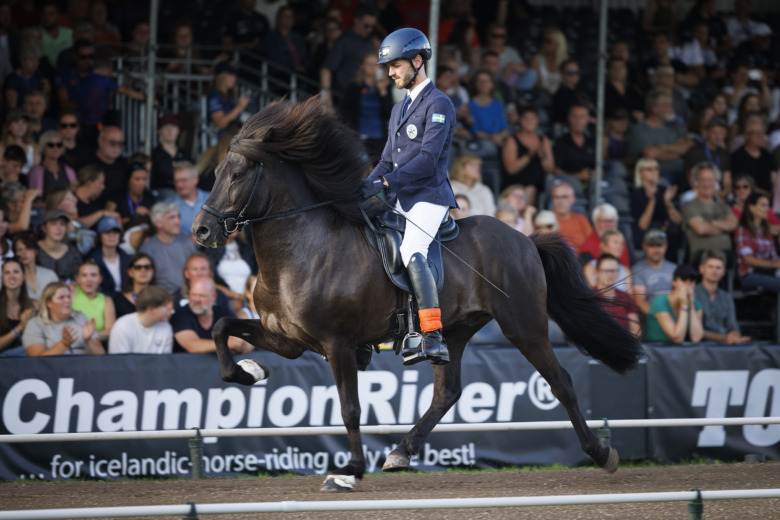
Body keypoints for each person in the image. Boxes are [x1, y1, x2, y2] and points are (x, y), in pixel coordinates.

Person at [359, 28, 457, 366]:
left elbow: (428, 160)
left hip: (429, 195)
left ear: (417, 61)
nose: (390, 72)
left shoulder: (439, 103)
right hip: (400, 193)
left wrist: (385, 183)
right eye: (388, 67)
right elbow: (387, 159)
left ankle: (432, 336)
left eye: (396, 65)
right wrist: (366, 185)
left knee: (412, 249)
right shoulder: (398, 109)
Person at [171, 277, 251, 354]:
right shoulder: (181, 314)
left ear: (214, 297)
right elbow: (192, 345)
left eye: (202, 296)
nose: (197, 300)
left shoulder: (223, 313)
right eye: (193, 295)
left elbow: (244, 342)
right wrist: (226, 344)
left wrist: (241, 345)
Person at [338, 51, 394, 163]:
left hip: (379, 137)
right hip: (358, 136)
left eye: (376, 64)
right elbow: (344, 111)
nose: (373, 68)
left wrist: (382, 91)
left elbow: (390, 114)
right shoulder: (354, 86)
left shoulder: (385, 86)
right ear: (362, 66)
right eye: (369, 64)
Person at [22, 281, 105, 356]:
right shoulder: (35, 324)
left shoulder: (80, 317)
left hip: (84, 369)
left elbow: (101, 355)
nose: (67, 300)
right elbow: (37, 361)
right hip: (54, 371)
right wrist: (64, 344)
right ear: (48, 303)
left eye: (69, 297)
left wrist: (88, 340)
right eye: (61, 297)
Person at [629, 91, 694, 186]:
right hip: (656, 175)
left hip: (683, 173)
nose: (672, 109)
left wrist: (662, 148)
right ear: (655, 109)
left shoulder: (675, 126)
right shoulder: (640, 129)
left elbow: (690, 146)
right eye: (667, 106)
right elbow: (650, 154)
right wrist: (679, 152)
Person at [682, 162, 738, 265]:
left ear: (715, 182)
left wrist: (710, 222)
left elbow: (733, 225)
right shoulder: (689, 206)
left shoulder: (723, 206)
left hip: (726, 256)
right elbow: (701, 229)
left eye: (710, 180)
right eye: (702, 180)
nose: (706, 184)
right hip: (702, 257)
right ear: (696, 182)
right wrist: (724, 229)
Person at [320, 4, 378, 104]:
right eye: (366, 26)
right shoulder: (343, 41)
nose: (369, 30)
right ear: (357, 21)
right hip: (344, 98)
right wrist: (327, 99)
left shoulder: (370, 42)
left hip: (364, 97)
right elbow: (326, 69)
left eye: (372, 27)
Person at [500, 106, 554, 203]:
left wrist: (542, 156)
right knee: (530, 189)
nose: (530, 121)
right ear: (520, 120)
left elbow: (550, 168)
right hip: (516, 184)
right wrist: (529, 155)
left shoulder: (543, 140)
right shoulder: (512, 140)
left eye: (533, 118)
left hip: (539, 185)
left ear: (537, 120)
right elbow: (511, 169)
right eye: (526, 118)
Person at [695, 249, 750, 344]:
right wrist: (725, 338)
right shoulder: (693, 293)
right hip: (700, 348)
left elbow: (732, 325)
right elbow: (696, 331)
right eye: (710, 267)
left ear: (723, 272)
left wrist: (736, 337)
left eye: (718, 268)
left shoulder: (726, 297)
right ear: (701, 269)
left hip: (725, 347)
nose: (714, 271)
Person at [630, 157, 682, 253]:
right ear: (640, 173)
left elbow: (678, 220)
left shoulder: (664, 190)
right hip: (647, 237)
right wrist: (652, 200)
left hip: (667, 235)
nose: (654, 171)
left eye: (656, 168)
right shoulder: (636, 194)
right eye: (649, 169)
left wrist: (667, 202)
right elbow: (642, 226)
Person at [644, 264, 704, 344]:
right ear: (673, 282)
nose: (688, 284)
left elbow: (696, 338)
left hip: (678, 352)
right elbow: (677, 338)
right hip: (655, 350)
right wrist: (684, 305)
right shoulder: (660, 302)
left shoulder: (696, 304)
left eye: (692, 280)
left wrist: (691, 305)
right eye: (683, 279)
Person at [734, 192, 780, 294]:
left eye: (768, 205)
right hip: (750, 275)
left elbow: (773, 256)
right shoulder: (743, 230)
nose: (767, 209)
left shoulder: (766, 231)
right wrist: (772, 264)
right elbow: (748, 259)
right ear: (752, 208)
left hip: (769, 272)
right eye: (763, 205)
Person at [108, 285, 174, 354]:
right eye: (165, 306)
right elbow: (120, 362)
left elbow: (165, 361)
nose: (170, 309)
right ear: (150, 309)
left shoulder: (166, 327)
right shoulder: (122, 326)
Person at [631, 229, 676, 315]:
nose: (656, 250)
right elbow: (640, 302)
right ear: (644, 246)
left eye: (659, 245)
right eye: (652, 246)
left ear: (666, 246)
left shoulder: (674, 268)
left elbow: (681, 296)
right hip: (652, 317)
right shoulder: (637, 269)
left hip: (674, 314)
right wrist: (662, 317)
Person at [682, 117, 732, 195]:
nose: (718, 136)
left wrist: (725, 193)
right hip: (698, 191)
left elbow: (727, 180)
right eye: (714, 132)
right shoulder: (695, 151)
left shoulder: (724, 154)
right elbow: (691, 178)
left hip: (718, 192)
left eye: (721, 133)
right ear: (707, 132)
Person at [595, 254, 641, 336]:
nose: (610, 275)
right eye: (606, 271)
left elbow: (636, 331)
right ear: (597, 272)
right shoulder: (588, 297)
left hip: (623, 344)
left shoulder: (625, 297)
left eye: (613, 271)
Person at [71, 259, 116, 343]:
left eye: (93, 275)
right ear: (77, 279)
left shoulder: (107, 300)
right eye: (84, 275)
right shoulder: (71, 293)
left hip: (96, 345)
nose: (89, 279)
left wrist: (87, 335)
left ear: (100, 279)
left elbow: (110, 331)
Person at [0, 258, 36, 356]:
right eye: (7, 273)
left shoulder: (34, 305)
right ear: (2, 277)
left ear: (24, 276)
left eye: (16, 272)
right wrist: (20, 326)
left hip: (27, 360)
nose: (12, 276)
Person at [27, 130, 77, 200]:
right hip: (45, 210)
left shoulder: (69, 170)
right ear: (43, 147)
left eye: (59, 145)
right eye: (51, 145)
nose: (55, 148)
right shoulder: (36, 172)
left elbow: (74, 194)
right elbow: (35, 201)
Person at [87, 216, 130, 297]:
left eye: (115, 232)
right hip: (103, 302)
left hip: (127, 300)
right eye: (107, 232)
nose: (112, 235)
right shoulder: (92, 260)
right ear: (100, 236)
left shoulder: (128, 257)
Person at [579, 203, 631, 268]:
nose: (608, 225)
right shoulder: (588, 251)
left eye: (611, 221)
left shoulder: (622, 241)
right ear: (595, 223)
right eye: (604, 221)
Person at [37, 209, 83, 281]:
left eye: (62, 224)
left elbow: (77, 278)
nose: (59, 228)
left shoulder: (72, 252)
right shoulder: (34, 250)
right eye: (54, 224)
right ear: (44, 228)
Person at [207, 61, 251, 137]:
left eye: (235, 75)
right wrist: (239, 106)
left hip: (233, 138)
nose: (234, 78)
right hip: (222, 142)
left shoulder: (228, 96)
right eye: (230, 75)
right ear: (221, 76)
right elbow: (220, 123)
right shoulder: (215, 95)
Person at [150, 114, 189, 197]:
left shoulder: (185, 153)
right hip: (163, 194)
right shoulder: (154, 154)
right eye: (166, 127)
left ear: (178, 130)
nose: (170, 130)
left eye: (173, 127)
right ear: (159, 131)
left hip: (184, 192)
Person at [583, 229, 632, 294]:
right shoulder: (591, 267)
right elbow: (590, 296)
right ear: (603, 245)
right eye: (615, 242)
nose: (620, 246)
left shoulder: (625, 270)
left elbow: (629, 299)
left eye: (622, 243)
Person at [12, 233, 58, 300]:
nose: (23, 253)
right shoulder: (13, 277)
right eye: (19, 250)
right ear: (16, 254)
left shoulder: (50, 275)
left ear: (36, 251)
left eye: (28, 248)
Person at [550, 181, 592, 251]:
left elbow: (591, 244)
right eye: (556, 197)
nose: (560, 201)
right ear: (552, 200)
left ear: (573, 199)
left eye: (564, 197)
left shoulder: (582, 220)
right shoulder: (545, 219)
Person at [113, 253, 157, 319]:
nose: (143, 270)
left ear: (153, 271)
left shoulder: (161, 297)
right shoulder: (119, 300)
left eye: (147, 267)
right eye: (138, 267)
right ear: (130, 272)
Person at [173, 161, 210, 237]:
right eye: (176, 181)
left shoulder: (212, 199)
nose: (179, 184)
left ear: (195, 180)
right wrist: (186, 240)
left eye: (183, 180)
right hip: (182, 247)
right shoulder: (169, 205)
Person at [88, 126, 127, 196]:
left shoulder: (125, 164)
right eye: (112, 142)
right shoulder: (87, 164)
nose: (116, 147)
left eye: (120, 143)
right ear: (100, 141)